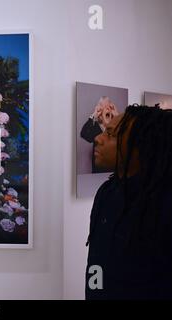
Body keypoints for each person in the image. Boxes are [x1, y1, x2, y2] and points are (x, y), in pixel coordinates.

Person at [85, 104, 172, 299]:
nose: (98, 139)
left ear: (143, 145)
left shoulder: (164, 205)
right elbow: (96, 262)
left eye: (111, 135)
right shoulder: (107, 193)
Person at [80, 96, 119, 173]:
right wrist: (94, 115)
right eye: (102, 107)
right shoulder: (95, 127)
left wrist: (117, 117)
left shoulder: (115, 127)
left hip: (113, 170)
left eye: (107, 107)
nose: (105, 110)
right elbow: (84, 134)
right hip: (98, 170)